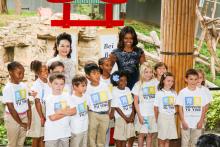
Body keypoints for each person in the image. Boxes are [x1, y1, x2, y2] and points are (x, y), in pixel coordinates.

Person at [176, 69, 209, 147]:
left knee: (195, 143)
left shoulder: (202, 92)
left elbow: (204, 108)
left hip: (198, 122)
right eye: (191, 79)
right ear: (186, 79)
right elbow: (180, 108)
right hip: (186, 123)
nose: (193, 81)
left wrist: (201, 121)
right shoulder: (182, 92)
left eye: (195, 79)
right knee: (185, 143)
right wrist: (183, 121)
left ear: (198, 80)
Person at [2, 61, 31, 147]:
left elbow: (28, 103)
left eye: (23, 73)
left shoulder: (24, 85)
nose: (22, 75)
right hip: (12, 118)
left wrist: (29, 119)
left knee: (20, 143)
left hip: (24, 116)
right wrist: (21, 123)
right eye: (19, 73)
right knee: (12, 144)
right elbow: (11, 108)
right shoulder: (8, 88)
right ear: (10, 72)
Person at [84, 63, 112, 147]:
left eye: (98, 73)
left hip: (104, 115)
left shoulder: (104, 85)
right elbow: (86, 104)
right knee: (91, 137)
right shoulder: (87, 88)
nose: (97, 75)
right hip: (93, 114)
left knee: (102, 138)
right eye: (93, 73)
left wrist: (108, 111)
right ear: (88, 76)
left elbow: (109, 99)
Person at [44, 73, 76, 147]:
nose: (59, 86)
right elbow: (52, 117)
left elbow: (74, 111)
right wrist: (67, 111)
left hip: (65, 133)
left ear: (64, 85)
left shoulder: (67, 96)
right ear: (50, 84)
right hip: (52, 134)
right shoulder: (49, 99)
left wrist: (61, 111)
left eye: (61, 84)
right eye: (56, 84)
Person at [132, 62, 158, 147]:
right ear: (142, 72)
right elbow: (135, 102)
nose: (149, 74)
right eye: (146, 72)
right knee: (141, 135)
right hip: (143, 114)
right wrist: (139, 115)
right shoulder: (138, 84)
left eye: (150, 72)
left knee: (150, 134)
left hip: (153, 114)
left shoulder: (156, 83)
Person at [27, 60, 51, 147]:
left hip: (46, 110)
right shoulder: (37, 84)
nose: (45, 72)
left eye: (46, 70)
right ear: (37, 73)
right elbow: (37, 102)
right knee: (37, 136)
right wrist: (41, 117)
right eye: (42, 71)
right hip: (38, 111)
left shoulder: (48, 81)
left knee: (43, 136)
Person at [111, 71, 135, 147]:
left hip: (129, 116)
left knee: (125, 138)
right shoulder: (114, 91)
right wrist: (126, 118)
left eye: (125, 80)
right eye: (121, 80)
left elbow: (132, 103)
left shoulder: (128, 89)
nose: (124, 82)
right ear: (117, 81)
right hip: (120, 118)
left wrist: (132, 115)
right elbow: (116, 107)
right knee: (119, 138)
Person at [154, 72, 178, 147]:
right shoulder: (159, 93)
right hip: (162, 118)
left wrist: (174, 112)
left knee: (168, 139)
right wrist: (156, 120)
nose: (170, 83)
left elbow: (176, 105)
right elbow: (155, 107)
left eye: (172, 81)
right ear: (163, 81)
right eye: (168, 81)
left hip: (171, 117)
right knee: (162, 139)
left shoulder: (174, 93)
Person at [98, 57, 114, 146]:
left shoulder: (114, 79)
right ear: (101, 66)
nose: (110, 67)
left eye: (111, 65)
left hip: (110, 108)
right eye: (107, 65)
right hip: (99, 108)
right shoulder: (97, 79)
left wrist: (112, 110)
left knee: (107, 130)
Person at [70, 75, 88, 147]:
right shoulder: (71, 99)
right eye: (82, 86)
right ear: (75, 86)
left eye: (85, 85)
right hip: (76, 129)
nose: (85, 87)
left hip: (85, 128)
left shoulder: (85, 96)